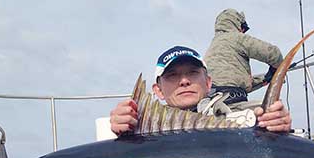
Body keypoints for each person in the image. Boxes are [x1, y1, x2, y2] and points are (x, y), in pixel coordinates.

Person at [110, 46, 291, 135]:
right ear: (158, 90)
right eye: (172, 75)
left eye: (193, 73)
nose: (184, 81)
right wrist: (126, 132)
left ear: (208, 82)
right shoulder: (142, 126)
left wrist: (275, 123)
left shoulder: (240, 114)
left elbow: (259, 122)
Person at [204, 9, 283, 106]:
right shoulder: (236, 38)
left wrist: (264, 79)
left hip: (212, 104)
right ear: (237, 25)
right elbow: (274, 54)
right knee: (273, 114)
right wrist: (278, 68)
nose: (243, 32)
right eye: (243, 28)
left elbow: (231, 81)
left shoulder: (213, 46)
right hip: (233, 103)